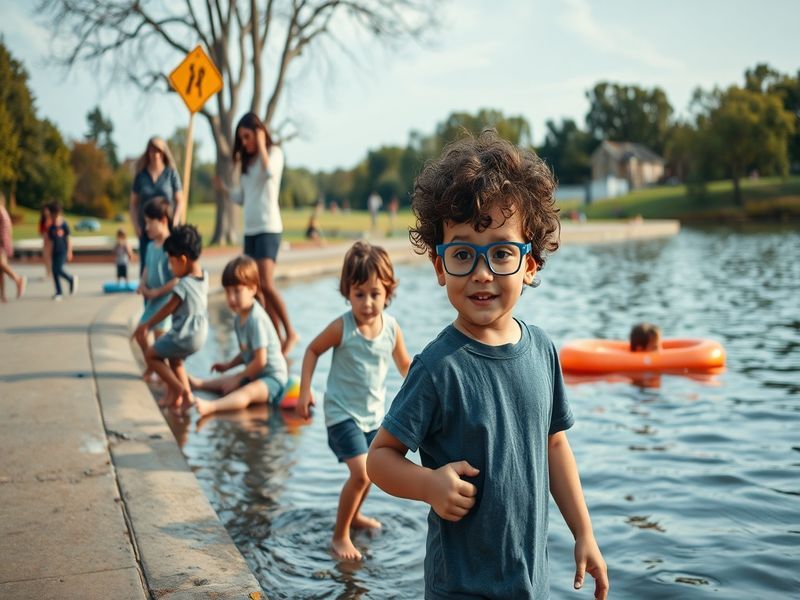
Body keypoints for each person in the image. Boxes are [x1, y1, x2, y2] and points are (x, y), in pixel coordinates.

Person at [366, 131, 609, 599]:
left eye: (501, 252)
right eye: (462, 254)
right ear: (440, 267)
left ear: (531, 264)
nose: (481, 272)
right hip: (461, 587)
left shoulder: (542, 351)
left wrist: (584, 533)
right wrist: (429, 485)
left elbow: (555, 444)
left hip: (529, 583)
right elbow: (380, 458)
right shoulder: (439, 367)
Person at [295, 240, 412, 561]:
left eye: (375, 294)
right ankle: (339, 536)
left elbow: (405, 366)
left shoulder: (391, 329)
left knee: (373, 471)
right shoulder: (342, 327)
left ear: (388, 292)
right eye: (359, 294)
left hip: (373, 417)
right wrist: (305, 391)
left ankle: (355, 515)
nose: (368, 303)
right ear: (347, 292)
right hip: (341, 414)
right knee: (361, 474)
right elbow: (311, 350)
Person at [216, 112, 298, 355]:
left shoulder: (274, 154)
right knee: (256, 288)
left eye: (247, 136)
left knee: (267, 283)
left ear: (259, 133)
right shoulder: (247, 164)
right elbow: (242, 197)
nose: (244, 142)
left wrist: (262, 143)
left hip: (269, 228)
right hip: (250, 230)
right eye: (241, 139)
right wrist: (224, 190)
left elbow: (270, 173)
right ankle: (276, 339)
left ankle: (290, 332)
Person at [191, 255, 288, 417]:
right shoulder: (239, 318)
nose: (231, 298)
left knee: (246, 391)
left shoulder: (256, 319)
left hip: (273, 379)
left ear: (253, 289)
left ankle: (212, 407)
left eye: (237, 291)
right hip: (256, 374)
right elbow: (247, 352)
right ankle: (199, 384)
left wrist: (239, 378)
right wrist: (228, 366)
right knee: (228, 380)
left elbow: (260, 360)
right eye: (228, 292)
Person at [133, 225, 208, 410]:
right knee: (175, 361)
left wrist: (147, 324)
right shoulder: (203, 276)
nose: (170, 267)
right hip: (199, 334)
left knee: (151, 355)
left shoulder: (183, 285)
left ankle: (179, 388)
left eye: (171, 262)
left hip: (184, 334)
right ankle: (185, 398)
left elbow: (168, 308)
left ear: (182, 260)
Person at [134, 198, 178, 377]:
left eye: (149, 223)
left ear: (163, 221)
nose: (146, 228)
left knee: (161, 340)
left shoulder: (171, 246)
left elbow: (177, 279)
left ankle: (166, 376)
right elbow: (147, 268)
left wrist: (158, 292)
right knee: (140, 333)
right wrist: (142, 284)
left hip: (165, 301)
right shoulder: (151, 246)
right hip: (151, 300)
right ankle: (153, 364)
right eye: (145, 223)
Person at [130, 137, 183, 275]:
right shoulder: (141, 176)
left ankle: (166, 295)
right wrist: (136, 225)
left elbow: (180, 200)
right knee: (147, 268)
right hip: (147, 228)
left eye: (159, 151)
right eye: (152, 151)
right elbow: (133, 204)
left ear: (164, 153)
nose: (156, 155)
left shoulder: (170, 173)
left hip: (166, 228)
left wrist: (175, 221)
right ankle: (148, 296)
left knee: (167, 267)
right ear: (148, 152)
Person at [47, 203, 77, 301]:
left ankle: (70, 279)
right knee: (54, 272)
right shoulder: (51, 227)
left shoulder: (64, 225)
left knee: (58, 269)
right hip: (54, 251)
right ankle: (58, 292)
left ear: (59, 213)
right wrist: (49, 253)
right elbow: (50, 242)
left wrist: (69, 251)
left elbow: (69, 239)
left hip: (63, 250)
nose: (53, 217)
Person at [0, 193, 25, 302]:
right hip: (4, 242)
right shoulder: (3, 211)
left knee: (1, 265)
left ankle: (17, 279)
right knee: (0, 270)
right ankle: (3, 295)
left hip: (1, 242)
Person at [38, 204, 52, 279]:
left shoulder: (52, 220)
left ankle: (51, 273)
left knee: (51, 258)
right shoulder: (42, 221)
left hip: (51, 242)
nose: (45, 212)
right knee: (46, 258)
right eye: (44, 211)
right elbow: (40, 231)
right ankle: (48, 273)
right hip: (45, 241)